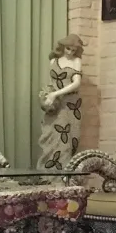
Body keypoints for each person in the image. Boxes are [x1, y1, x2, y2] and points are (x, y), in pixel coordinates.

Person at [37, 34, 85, 169]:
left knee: (66, 138)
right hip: (55, 104)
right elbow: (51, 82)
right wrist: (47, 95)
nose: (70, 52)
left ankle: (62, 174)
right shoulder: (54, 61)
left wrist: (55, 94)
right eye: (68, 49)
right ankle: (48, 174)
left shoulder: (76, 61)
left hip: (70, 103)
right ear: (63, 47)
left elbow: (76, 83)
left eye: (73, 50)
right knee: (51, 136)